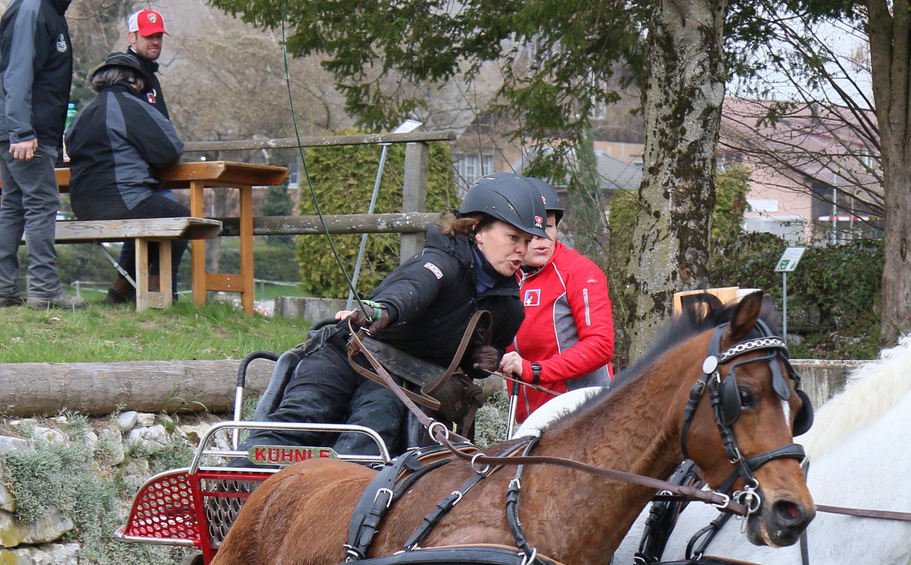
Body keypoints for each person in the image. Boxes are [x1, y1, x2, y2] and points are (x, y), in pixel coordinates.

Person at [250, 173, 547, 457]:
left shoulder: (508, 308)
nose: (521, 250)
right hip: (348, 353)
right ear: (478, 230)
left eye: (526, 241)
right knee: (301, 418)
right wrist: (382, 309)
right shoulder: (441, 263)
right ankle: (225, 493)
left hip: (401, 379)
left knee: (367, 438)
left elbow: (481, 355)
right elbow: (414, 286)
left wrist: (487, 358)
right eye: (513, 237)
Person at [0, 0, 86, 309]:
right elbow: (18, 74)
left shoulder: (45, 8)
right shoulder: (34, 8)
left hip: (22, 130)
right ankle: (44, 290)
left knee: (15, 205)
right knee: (41, 203)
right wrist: (22, 132)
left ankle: (1, 289)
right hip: (26, 133)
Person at [66, 52, 188, 299]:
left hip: (82, 206)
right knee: (178, 217)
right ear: (133, 82)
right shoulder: (133, 107)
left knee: (152, 214)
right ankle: (158, 289)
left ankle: (119, 292)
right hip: (122, 200)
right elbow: (170, 151)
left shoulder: (82, 114)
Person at [499, 177, 614, 423]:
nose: (542, 238)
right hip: (528, 418)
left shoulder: (580, 271)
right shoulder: (505, 274)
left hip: (583, 415)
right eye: (532, 229)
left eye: (548, 227)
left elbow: (601, 345)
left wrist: (535, 370)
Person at [124, 8, 168, 117]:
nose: (156, 42)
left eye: (159, 36)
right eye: (149, 36)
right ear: (132, 37)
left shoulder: (149, 72)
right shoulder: (125, 75)